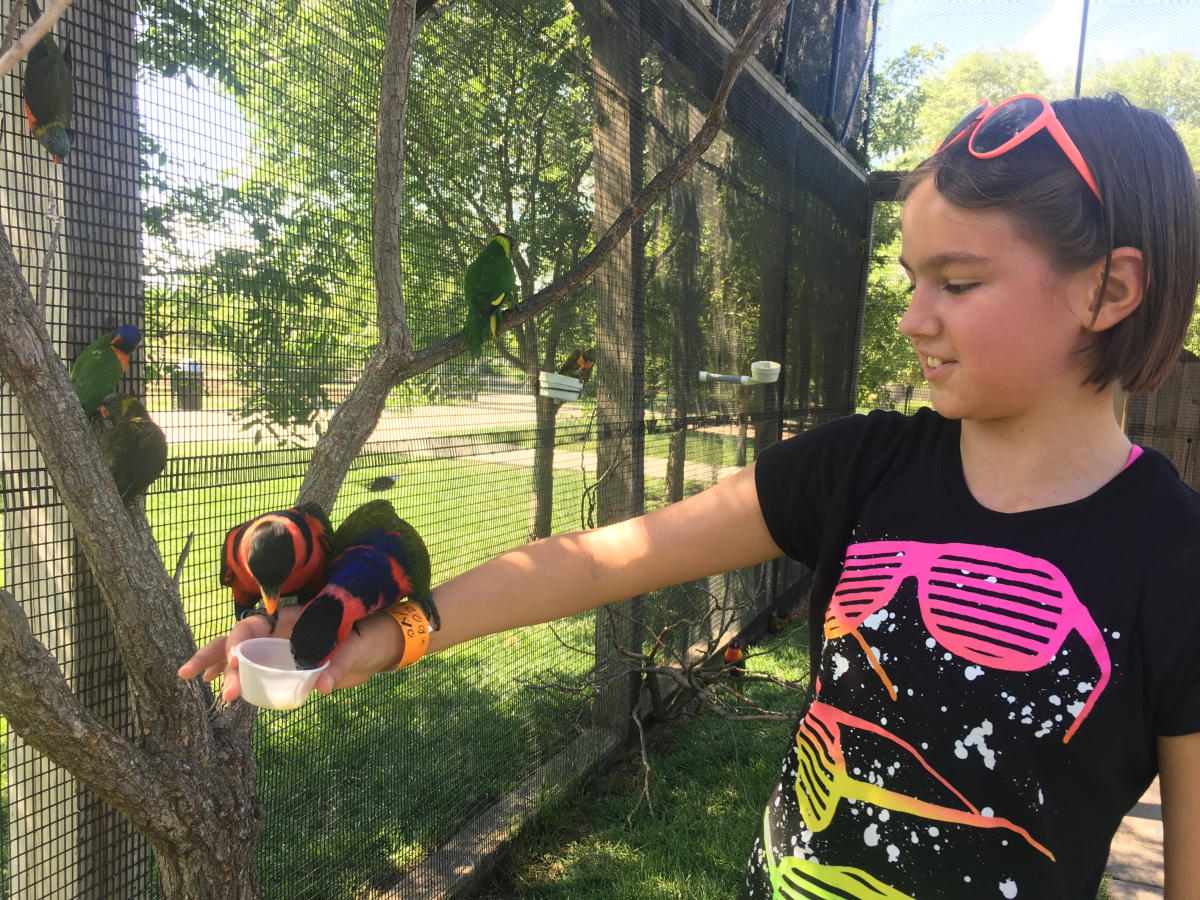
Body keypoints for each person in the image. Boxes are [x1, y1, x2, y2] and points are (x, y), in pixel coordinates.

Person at [180, 92, 1200, 899]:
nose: (912, 319)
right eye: (908, 279)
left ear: (1109, 290)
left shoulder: (1175, 561)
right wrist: (388, 630)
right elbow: (600, 559)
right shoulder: (861, 467)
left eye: (958, 283)